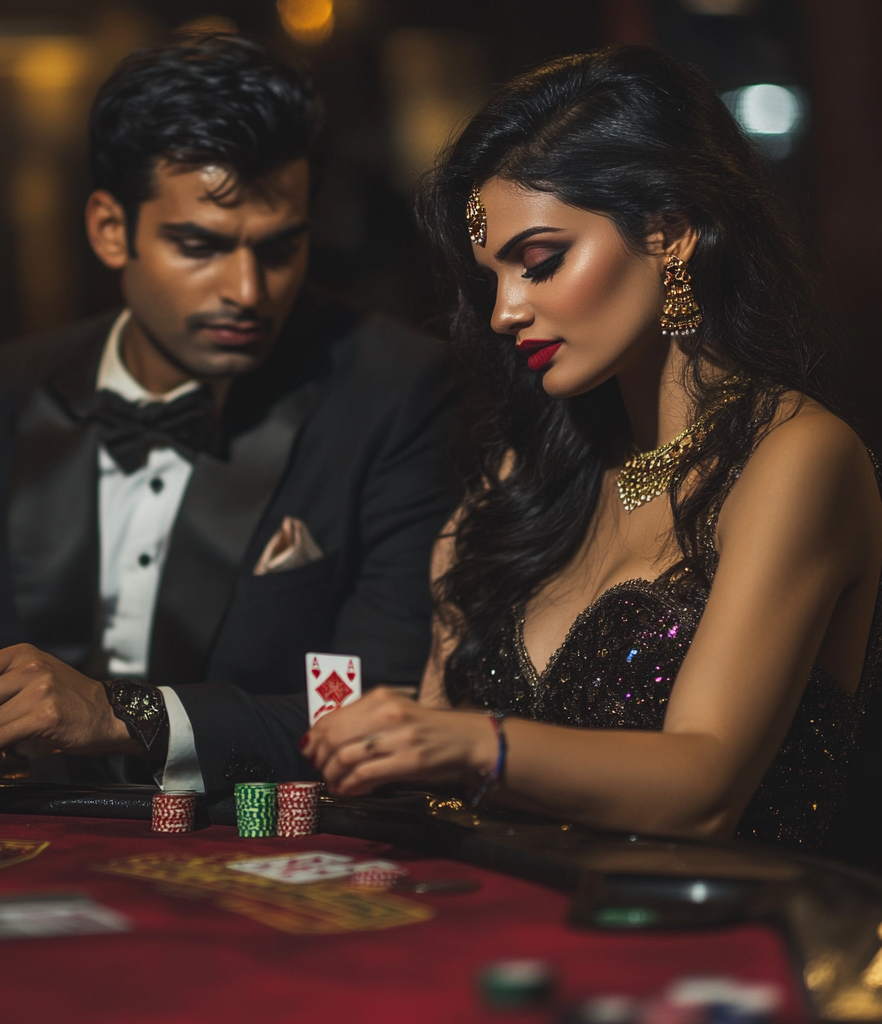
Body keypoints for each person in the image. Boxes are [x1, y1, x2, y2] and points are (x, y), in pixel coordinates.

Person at [303, 46, 882, 852]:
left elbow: (705, 785)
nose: (505, 310)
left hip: (719, 950)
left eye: (540, 263)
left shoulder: (796, 457)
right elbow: (430, 771)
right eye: (492, 278)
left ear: (672, 234)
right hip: (493, 936)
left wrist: (476, 742)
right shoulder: (524, 476)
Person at [0, 34, 456, 796]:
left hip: (258, 855)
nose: (247, 288)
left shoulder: (395, 389)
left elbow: (389, 713)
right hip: (11, 847)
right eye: (199, 245)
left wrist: (128, 716)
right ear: (111, 229)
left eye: (279, 249)